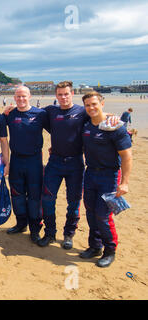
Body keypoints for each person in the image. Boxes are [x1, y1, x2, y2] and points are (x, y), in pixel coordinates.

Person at [80, 91, 132, 268]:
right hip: (90, 173)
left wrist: (124, 182)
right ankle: (94, 246)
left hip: (109, 176)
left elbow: (127, 156)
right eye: (88, 105)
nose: (91, 107)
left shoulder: (115, 127)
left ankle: (109, 250)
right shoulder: (86, 125)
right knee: (90, 211)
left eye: (94, 104)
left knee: (103, 215)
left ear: (102, 104)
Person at [39, 81, 88, 248]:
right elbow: (29, 113)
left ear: (72, 93)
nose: (63, 97)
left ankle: (69, 234)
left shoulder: (82, 112)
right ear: (56, 96)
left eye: (66, 94)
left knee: (74, 201)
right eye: (60, 94)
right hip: (55, 162)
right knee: (47, 199)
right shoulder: (51, 111)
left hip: (75, 163)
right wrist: (9, 110)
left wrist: (113, 118)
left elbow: (98, 117)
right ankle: (50, 233)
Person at [4, 86, 48, 243]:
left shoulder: (40, 114)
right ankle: (21, 223)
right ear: (14, 98)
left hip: (34, 160)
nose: (21, 99)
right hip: (16, 159)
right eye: (18, 96)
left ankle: (35, 228)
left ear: (30, 96)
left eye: (24, 96)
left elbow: (59, 130)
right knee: (17, 194)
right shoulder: (10, 114)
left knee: (35, 196)